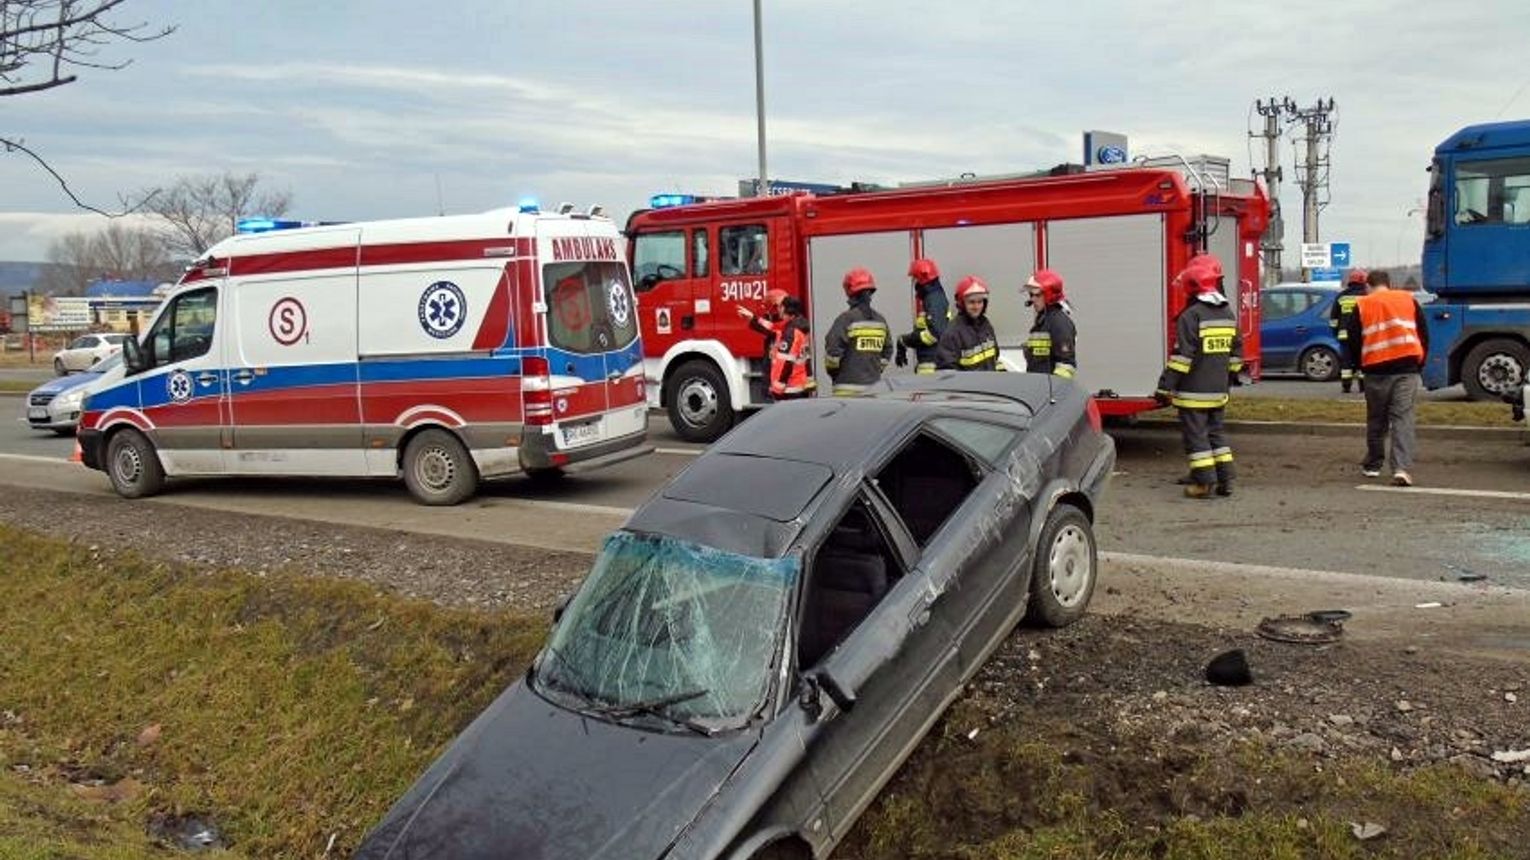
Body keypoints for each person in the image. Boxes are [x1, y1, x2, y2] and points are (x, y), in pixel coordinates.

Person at [1156, 255, 1244, 499]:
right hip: (1219, 390)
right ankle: (1225, 479)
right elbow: (1237, 352)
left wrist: (1165, 387)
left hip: (1193, 391)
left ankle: (1203, 484)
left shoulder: (1190, 316)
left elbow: (1182, 358)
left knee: (1196, 436)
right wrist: (1229, 378)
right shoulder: (1227, 313)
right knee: (1216, 434)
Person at [1345, 269, 1428, 486]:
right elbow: (1423, 334)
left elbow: (1352, 340)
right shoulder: (1408, 300)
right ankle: (1401, 469)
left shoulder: (1363, 304)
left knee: (1377, 419)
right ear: (1388, 284)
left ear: (1368, 286)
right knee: (1403, 418)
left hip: (1375, 369)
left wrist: (1359, 365)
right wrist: (1420, 363)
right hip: (1407, 367)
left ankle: (1373, 464)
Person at [824, 267, 892, 395]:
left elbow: (832, 352)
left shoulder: (846, 319)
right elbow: (888, 350)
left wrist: (834, 373)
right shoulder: (880, 321)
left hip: (846, 391)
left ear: (850, 292)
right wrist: (875, 369)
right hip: (873, 390)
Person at [738, 289, 815, 400]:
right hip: (795, 385)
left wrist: (778, 387)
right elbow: (772, 327)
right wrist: (753, 317)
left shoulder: (791, 330)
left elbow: (786, 361)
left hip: (789, 387)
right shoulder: (798, 325)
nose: (779, 310)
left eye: (780, 307)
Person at [895, 258, 950, 374]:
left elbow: (934, 334)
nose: (914, 283)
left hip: (933, 369)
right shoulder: (932, 298)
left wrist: (905, 340)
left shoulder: (934, 300)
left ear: (922, 279)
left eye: (915, 279)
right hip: (931, 366)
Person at [1021, 269, 1077, 379]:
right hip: (1039, 388)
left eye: (1037, 295)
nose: (1032, 299)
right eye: (1031, 294)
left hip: (1048, 392)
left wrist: (1052, 392)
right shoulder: (1043, 321)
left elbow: (1066, 366)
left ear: (1049, 295)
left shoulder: (1059, 323)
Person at [935, 275, 1000, 371]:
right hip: (968, 386)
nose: (976, 306)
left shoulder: (986, 325)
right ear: (962, 303)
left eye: (980, 302)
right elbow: (948, 372)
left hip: (990, 385)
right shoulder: (952, 333)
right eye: (971, 302)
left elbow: (995, 357)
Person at [1330, 268, 1368, 393]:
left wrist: (1335, 332)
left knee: (1346, 362)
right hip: (1363, 336)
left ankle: (1346, 387)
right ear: (1363, 281)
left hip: (1344, 336)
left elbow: (1334, 318)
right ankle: (1363, 387)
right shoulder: (1368, 296)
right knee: (1362, 361)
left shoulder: (1341, 296)